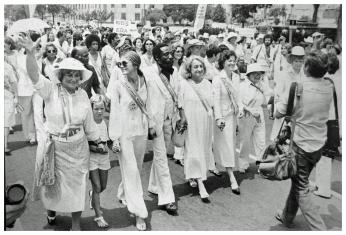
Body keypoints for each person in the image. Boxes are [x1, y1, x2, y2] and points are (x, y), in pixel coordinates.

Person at [20, 35, 101, 231]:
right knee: (51, 187)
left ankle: (75, 224)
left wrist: (98, 141)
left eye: (76, 75)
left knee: (77, 187)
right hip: (54, 148)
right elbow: (34, 76)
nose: (73, 79)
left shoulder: (83, 95)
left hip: (78, 149)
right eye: (68, 75)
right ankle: (51, 211)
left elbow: (89, 123)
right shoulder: (50, 90)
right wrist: (31, 53)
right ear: (61, 76)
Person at [275, 51, 333, 231]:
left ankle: (319, 229)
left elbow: (278, 112)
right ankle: (287, 216)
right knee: (300, 179)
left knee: (301, 187)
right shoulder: (329, 86)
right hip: (319, 143)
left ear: (307, 68)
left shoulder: (298, 87)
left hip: (301, 144)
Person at [109, 51, 155, 231]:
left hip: (141, 132)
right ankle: (139, 213)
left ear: (135, 65)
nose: (121, 66)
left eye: (124, 63)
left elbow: (149, 105)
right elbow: (114, 111)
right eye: (120, 64)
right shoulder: (118, 84)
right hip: (124, 134)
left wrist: (151, 125)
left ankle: (122, 192)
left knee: (135, 168)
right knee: (132, 172)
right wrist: (114, 138)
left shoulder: (146, 82)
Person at [142, 43, 180, 215]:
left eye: (171, 53)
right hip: (155, 123)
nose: (170, 57)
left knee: (161, 155)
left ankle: (153, 186)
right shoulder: (148, 73)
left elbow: (177, 96)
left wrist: (178, 118)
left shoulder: (175, 71)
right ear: (157, 58)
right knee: (162, 159)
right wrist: (149, 124)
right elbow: (144, 100)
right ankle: (167, 198)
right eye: (166, 55)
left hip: (169, 120)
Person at [177, 56, 213, 202]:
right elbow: (180, 104)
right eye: (195, 67)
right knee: (193, 149)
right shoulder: (184, 84)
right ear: (189, 70)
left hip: (204, 121)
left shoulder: (208, 84)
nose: (198, 69)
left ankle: (194, 174)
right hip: (191, 122)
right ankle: (199, 182)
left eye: (200, 66)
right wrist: (183, 119)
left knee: (203, 149)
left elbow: (212, 103)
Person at [213, 50, 241, 194]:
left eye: (233, 60)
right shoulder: (218, 79)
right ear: (223, 62)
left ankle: (217, 164)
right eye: (229, 60)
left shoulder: (236, 77)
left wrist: (241, 109)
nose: (232, 63)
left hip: (233, 116)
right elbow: (216, 100)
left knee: (228, 144)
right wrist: (218, 117)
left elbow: (238, 96)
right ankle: (231, 176)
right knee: (226, 145)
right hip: (222, 118)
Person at [313, 52, 340, 199]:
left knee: (324, 156)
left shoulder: (327, 81)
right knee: (325, 156)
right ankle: (320, 185)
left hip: (327, 121)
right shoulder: (336, 79)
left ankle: (323, 188)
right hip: (333, 121)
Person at [237, 63, 273, 172]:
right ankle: (243, 164)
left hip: (259, 113)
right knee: (245, 141)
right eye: (255, 74)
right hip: (246, 115)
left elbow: (269, 96)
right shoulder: (242, 86)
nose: (258, 76)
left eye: (260, 74)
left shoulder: (262, 84)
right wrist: (249, 110)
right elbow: (239, 103)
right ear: (249, 74)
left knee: (261, 140)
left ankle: (261, 164)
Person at [5, 36, 37, 145]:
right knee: (26, 113)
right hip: (22, 88)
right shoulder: (11, 55)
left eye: (21, 41)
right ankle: (29, 135)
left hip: (34, 86)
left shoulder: (28, 52)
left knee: (36, 112)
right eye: (18, 42)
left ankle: (35, 134)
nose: (20, 43)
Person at [270, 46, 305, 141]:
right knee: (278, 140)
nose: (298, 63)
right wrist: (277, 110)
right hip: (284, 111)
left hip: (299, 113)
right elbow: (278, 94)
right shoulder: (284, 74)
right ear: (292, 60)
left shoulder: (305, 74)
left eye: (300, 61)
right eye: (296, 61)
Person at [88, 95, 110, 228]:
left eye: (102, 108)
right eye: (96, 108)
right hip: (91, 158)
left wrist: (114, 145)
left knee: (103, 186)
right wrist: (96, 148)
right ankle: (98, 216)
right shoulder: (88, 123)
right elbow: (85, 144)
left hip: (104, 158)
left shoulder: (106, 122)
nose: (100, 111)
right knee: (97, 186)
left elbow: (109, 140)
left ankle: (92, 195)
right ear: (91, 109)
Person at [4, 60, 18, 155]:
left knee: (6, 123)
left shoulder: (7, 67)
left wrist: (16, 97)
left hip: (7, 97)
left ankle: (4, 146)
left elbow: (13, 82)